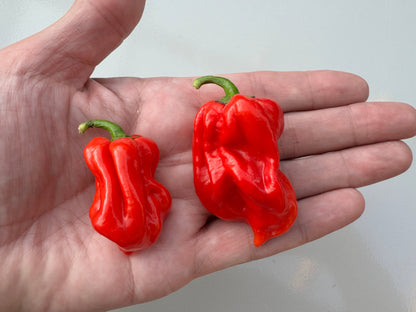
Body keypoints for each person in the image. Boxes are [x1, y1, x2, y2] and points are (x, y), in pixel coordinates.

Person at [0, 0, 415, 311]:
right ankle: (265, 219)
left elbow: (250, 165)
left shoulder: (230, 121)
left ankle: (265, 219)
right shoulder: (126, 151)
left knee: (255, 184)